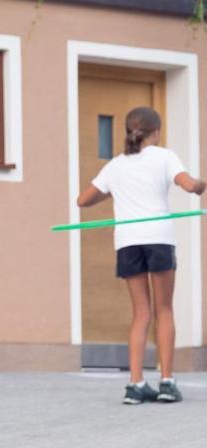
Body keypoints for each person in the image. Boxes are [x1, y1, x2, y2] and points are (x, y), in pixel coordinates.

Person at [78, 106, 205, 404]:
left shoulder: (116, 165)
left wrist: (115, 190)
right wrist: (201, 185)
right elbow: (188, 185)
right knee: (164, 309)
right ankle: (167, 383)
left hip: (128, 242)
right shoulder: (165, 156)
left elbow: (82, 200)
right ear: (156, 132)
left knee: (141, 313)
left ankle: (135, 385)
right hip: (158, 238)